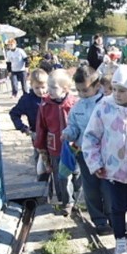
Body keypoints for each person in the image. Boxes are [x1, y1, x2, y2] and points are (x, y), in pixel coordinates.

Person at [82, 65, 127, 254]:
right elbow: (91, 137)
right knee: (117, 208)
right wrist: (95, 164)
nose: (117, 94)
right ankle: (120, 238)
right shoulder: (104, 107)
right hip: (112, 170)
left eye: (123, 91)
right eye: (115, 89)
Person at [64, 66, 112, 235]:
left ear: (96, 85)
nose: (82, 94)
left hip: (107, 154)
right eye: (78, 91)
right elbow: (73, 127)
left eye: (85, 90)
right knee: (91, 188)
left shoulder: (108, 103)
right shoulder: (77, 107)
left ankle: (113, 217)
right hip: (85, 154)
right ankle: (99, 221)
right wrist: (68, 134)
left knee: (108, 187)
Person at [35, 69, 79, 215]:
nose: (49, 90)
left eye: (54, 87)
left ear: (65, 88)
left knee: (77, 175)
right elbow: (41, 127)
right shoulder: (45, 106)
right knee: (62, 176)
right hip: (56, 148)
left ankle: (75, 200)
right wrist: (41, 146)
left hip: (75, 147)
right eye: (49, 86)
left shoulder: (74, 104)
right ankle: (67, 202)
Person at [9, 68, 45, 137]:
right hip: (36, 134)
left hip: (53, 134)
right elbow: (14, 113)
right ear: (31, 85)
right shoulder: (27, 100)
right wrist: (23, 128)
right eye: (37, 88)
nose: (40, 91)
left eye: (43, 87)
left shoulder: (52, 98)